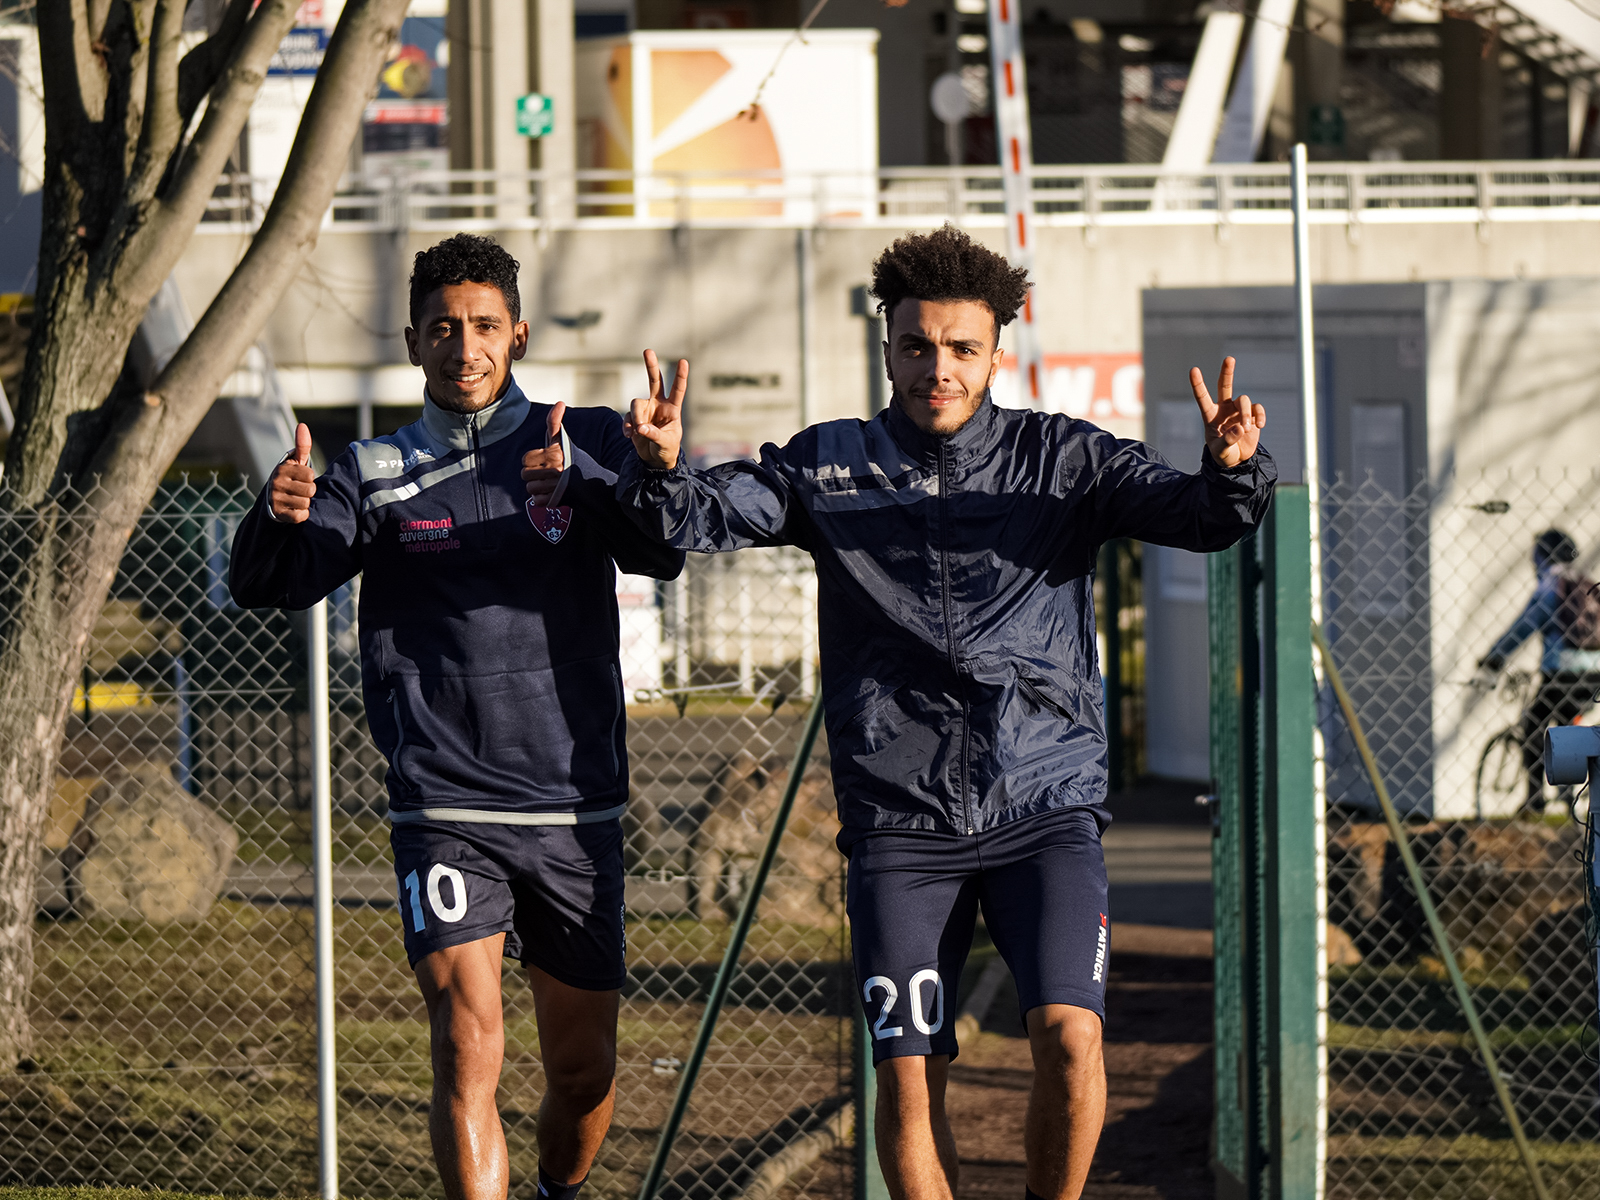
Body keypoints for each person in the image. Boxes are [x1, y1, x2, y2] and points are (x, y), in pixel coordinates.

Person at [605, 226, 1275, 1200]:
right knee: (910, 1077)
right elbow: (698, 516)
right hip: (899, 822)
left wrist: (1229, 469)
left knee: (1070, 1038)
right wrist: (662, 468)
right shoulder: (827, 465)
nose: (939, 368)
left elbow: (1202, 517)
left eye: (963, 347)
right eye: (917, 345)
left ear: (998, 353)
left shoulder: (1063, 459)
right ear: (888, 347)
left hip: (1043, 807)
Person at [230, 234, 683, 1200]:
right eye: (442, 328)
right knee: (466, 1041)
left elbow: (660, 550)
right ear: (412, 342)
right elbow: (274, 581)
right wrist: (276, 515)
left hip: (574, 808)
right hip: (443, 806)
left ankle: (558, 1190)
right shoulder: (374, 469)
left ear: (518, 335)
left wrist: (646, 471)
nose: (463, 347)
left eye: (483, 326)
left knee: (583, 1071)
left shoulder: (581, 439)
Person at [1478, 528, 1600, 814]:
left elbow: (1522, 628)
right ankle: (1568, 795)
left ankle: (1534, 799)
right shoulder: (1586, 584)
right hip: (1593, 675)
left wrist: (1494, 657)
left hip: (1560, 674)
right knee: (1568, 727)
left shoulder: (1550, 587)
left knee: (1534, 728)